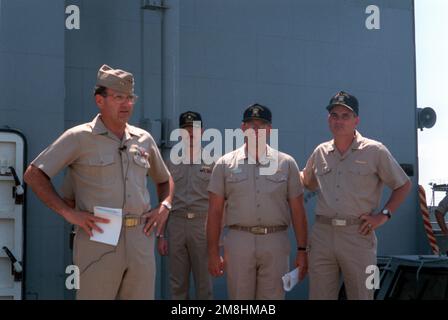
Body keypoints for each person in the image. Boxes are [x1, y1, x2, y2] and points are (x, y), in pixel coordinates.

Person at [24, 64, 174, 300]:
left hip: (140, 238)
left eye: (129, 98)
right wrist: (69, 213)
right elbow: (34, 174)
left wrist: (165, 206)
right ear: (99, 100)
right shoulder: (79, 137)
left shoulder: (143, 139)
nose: (126, 104)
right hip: (99, 235)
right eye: (118, 97)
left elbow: (164, 180)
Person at [301, 91, 412, 300]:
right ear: (328, 119)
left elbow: (404, 185)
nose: (339, 121)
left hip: (358, 236)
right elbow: (306, 181)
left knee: (363, 295)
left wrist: (383, 215)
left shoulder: (375, 150)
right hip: (322, 235)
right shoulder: (320, 152)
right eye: (334, 115)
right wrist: (282, 169)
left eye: (345, 116)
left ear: (356, 120)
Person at [207, 103, 308, 300]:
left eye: (261, 125)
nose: (256, 130)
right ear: (243, 128)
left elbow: (298, 211)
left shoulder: (286, 163)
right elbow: (214, 211)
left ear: (269, 130)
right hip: (238, 241)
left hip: (275, 242)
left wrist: (303, 250)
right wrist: (212, 251)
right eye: (251, 125)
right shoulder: (225, 164)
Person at [157, 111, 214, 299]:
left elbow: (220, 203)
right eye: (186, 130)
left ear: (203, 132)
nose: (190, 134)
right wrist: (161, 235)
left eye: (195, 130)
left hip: (202, 226)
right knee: (177, 284)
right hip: (176, 225)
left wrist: (218, 238)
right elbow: (165, 201)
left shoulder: (214, 163)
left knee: (204, 283)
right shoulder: (170, 163)